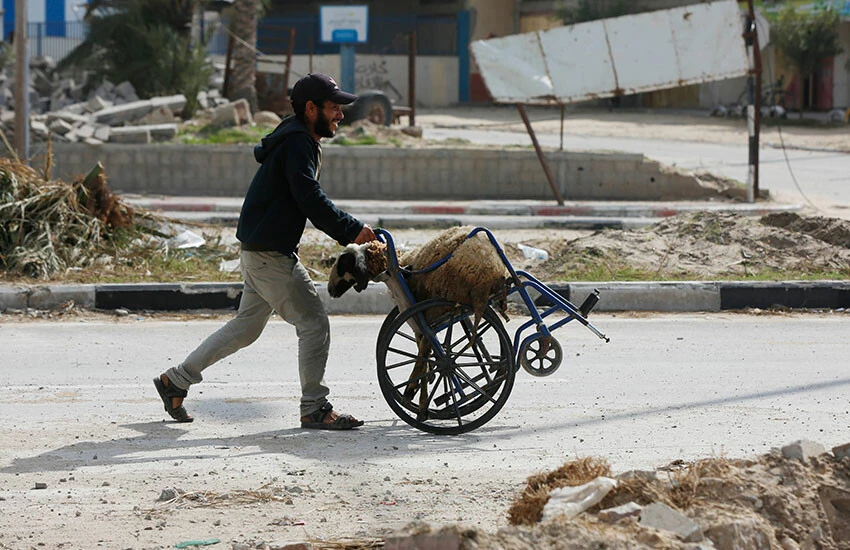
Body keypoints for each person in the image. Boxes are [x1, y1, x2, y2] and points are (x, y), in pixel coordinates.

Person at [154, 73, 376, 430]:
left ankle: (175, 381)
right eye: (334, 108)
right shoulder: (297, 144)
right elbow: (310, 198)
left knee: (246, 328)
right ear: (310, 108)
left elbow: (303, 198)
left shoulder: (295, 138)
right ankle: (315, 407)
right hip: (270, 254)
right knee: (314, 324)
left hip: (259, 249)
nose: (340, 115)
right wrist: (352, 230)